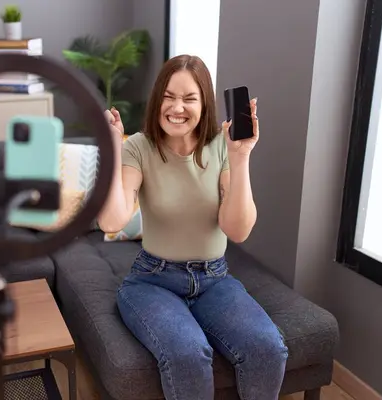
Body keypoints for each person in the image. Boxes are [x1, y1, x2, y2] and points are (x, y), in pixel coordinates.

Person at [97, 54, 288, 400]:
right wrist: (113, 147)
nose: (177, 108)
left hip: (214, 280)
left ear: (205, 103)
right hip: (153, 282)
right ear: (157, 100)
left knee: (268, 348)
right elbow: (111, 220)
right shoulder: (139, 147)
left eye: (189, 99)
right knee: (187, 354)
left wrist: (240, 156)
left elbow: (238, 230)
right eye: (169, 97)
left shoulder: (221, 145)